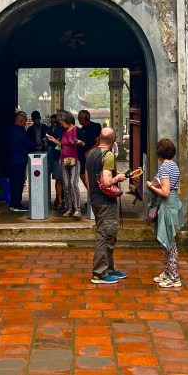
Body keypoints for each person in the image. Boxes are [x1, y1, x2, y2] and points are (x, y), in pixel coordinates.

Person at [85, 127, 129, 284]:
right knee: (104, 236)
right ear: (113, 140)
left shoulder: (91, 154)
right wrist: (119, 178)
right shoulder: (108, 155)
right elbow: (106, 181)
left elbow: (89, 180)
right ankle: (99, 273)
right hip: (105, 202)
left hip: (96, 200)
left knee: (109, 235)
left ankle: (110, 268)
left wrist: (91, 196)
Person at [145, 138, 182, 289]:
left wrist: (150, 186)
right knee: (169, 241)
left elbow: (165, 192)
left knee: (170, 243)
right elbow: (177, 190)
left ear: (159, 152)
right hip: (174, 203)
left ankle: (173, 277)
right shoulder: (175, 166)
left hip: (167, 205)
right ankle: (167, 273)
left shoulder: (165, 168)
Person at [47, 109, 83, 217]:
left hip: (75, 160)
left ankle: (77, 208)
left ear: (65, 120)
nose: (60, 124)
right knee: (66, 185)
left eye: (60, 122)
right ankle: (69, 207)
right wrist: (53, 140)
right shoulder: (63, 132)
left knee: (73, 183)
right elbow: (62, 145)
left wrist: (78, 142)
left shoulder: (77, 130)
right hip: (63, 160)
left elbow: (83, 143)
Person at [4, 111, 37, 212]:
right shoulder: (20, 131)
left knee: (13, 182)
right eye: (25, 121)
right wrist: (37, 145)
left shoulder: (9, 129)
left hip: (11, 159)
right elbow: (28, 143)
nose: (25, 123)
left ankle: (12, 204)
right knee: (18, 182)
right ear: (21, 121)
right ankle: (17, 204)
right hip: (19, 160)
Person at [77, 109, 102, 184]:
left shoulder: (95, 126)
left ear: (86, 118)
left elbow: (98, 141)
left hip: (93, 153)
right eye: (78, 118)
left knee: (94, 174)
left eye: (81, 118)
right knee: (82, 173)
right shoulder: (81, 130)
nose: (79, 120)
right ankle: (90, 191)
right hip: (82, 155)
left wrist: (89, 151)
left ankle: (94, 192)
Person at [46, 112, 64, 209]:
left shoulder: (62, 130)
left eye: (55, 122)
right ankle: (58, 199)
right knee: (57, 179)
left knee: (61, 180)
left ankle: (60, 199)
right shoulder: (49, 129)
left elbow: (61, 143)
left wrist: (55, 142)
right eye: (52, 122)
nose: (54, 124)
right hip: (52, 157)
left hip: (61, 157)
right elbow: (49, 141)